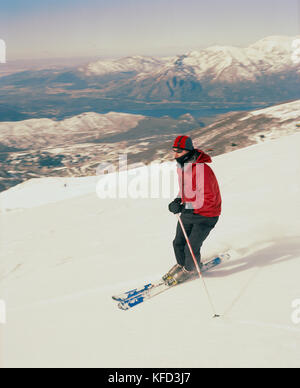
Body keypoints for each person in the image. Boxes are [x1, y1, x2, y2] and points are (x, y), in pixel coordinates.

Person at [165, 135, 222, 284]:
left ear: (188, 151)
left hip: (206, 215)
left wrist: (186, 206)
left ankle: (190, 269)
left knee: (191, 246)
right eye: (174, 151)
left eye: (179, 151)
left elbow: (209, 199)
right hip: (190, 211)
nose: (175, 155)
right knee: (178, 243)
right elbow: (186, 189)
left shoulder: (202, 170)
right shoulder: (183, 166)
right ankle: (182, 265)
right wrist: (178, 200)